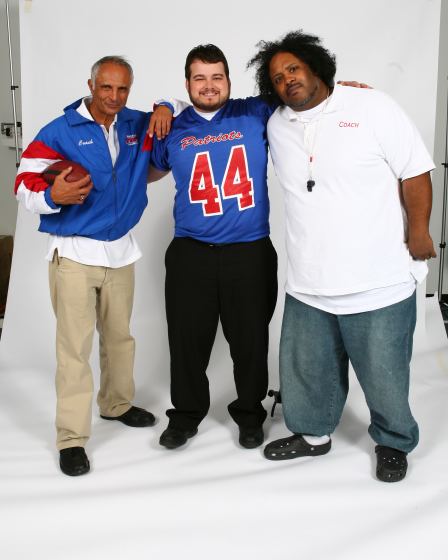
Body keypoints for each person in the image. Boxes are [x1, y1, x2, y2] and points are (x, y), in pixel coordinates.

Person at [247, 31, 436, 482]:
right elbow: (214, 110)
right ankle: (312, 434)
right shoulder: (276, 124)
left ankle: (393, 442)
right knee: (306, 370)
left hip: (378, 276)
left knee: (386, 376)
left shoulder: (372, 107)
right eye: (276, 77)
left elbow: (414, 170)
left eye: (293, 68)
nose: (287, 80)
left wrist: (419, 231)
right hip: (310, 280)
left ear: (315, 67)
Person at [15, 56, 157, 476]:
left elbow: (174, 121)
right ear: (90, 85)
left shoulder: (135, 124)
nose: (114, 97)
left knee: (120, 339)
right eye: (106, 88)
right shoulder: (60, 132)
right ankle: (71, 438)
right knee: (74, 351)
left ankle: (116, 405)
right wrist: (53, 196)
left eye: (123, 89)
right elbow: (23, 185)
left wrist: (165, 105)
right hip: (75, 255)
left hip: (120, 251)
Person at [149, 44, 278, 450]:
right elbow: (148, 171)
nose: (208, 85)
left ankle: (250, 413)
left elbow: (302, 94)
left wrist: (344, 90)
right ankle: (185, 416)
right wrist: (162, 105)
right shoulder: (171, 127)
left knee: (250, 340)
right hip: (192, 251)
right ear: (187, 84)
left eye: (216, 76)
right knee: (187, 340)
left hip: (249, 249)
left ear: (228, 80)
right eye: (199, 78)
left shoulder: (253, 112)